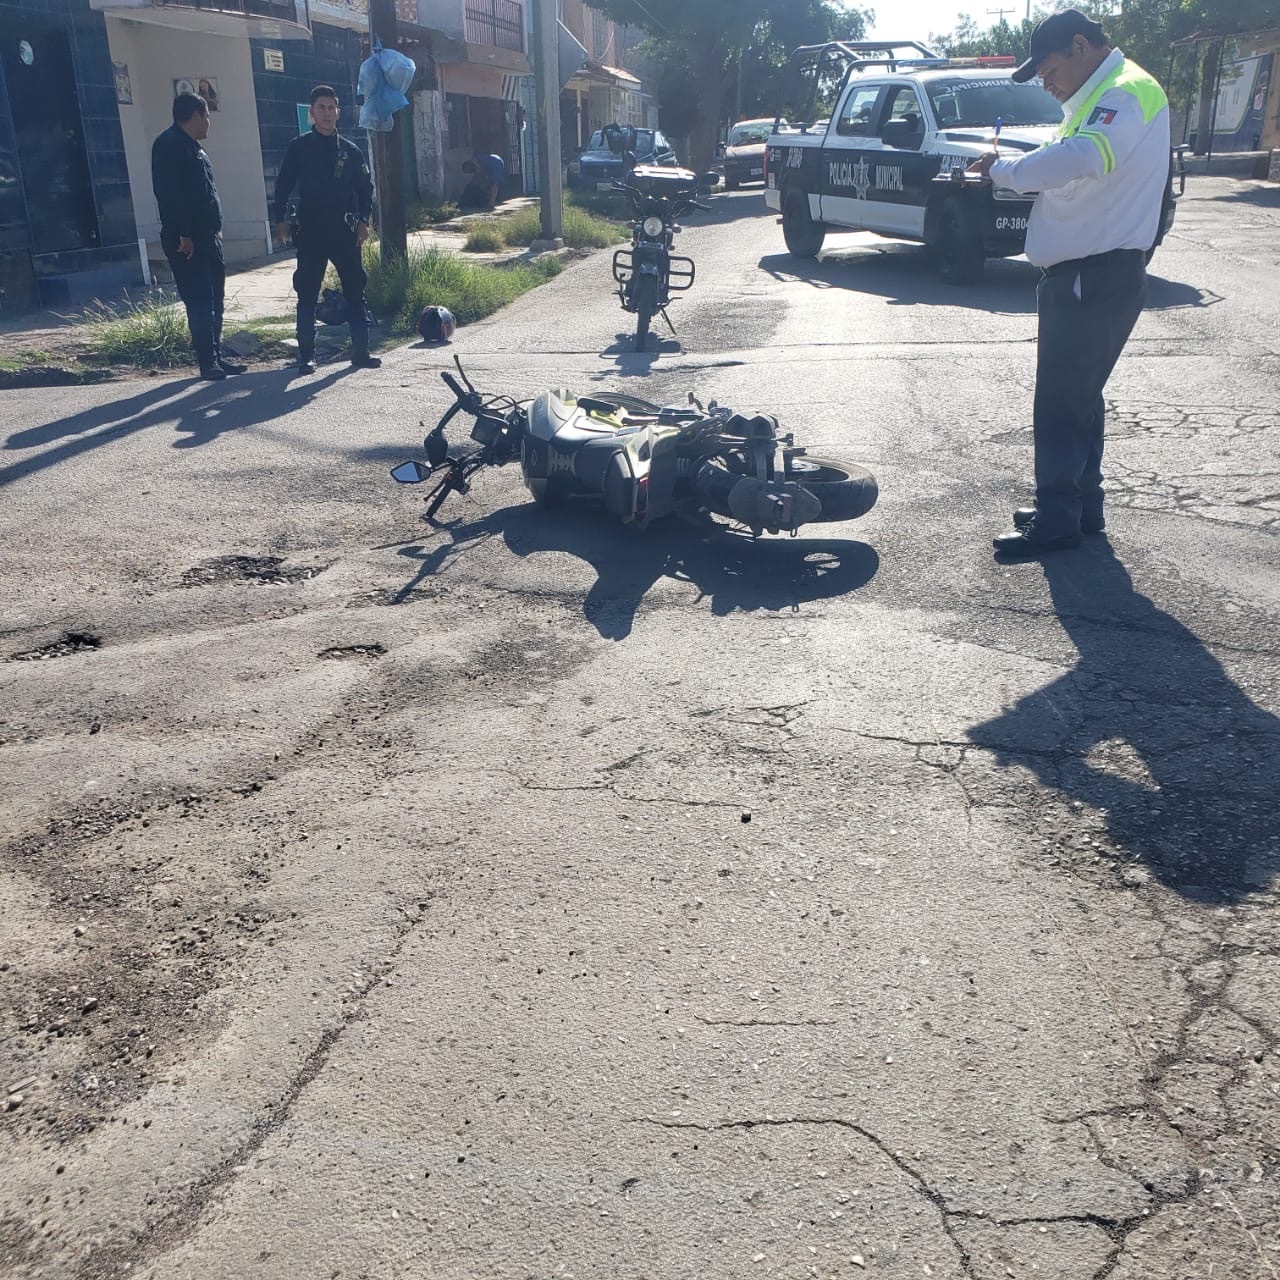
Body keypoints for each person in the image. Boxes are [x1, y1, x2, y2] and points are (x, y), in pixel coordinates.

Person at [968, 9, 1170, 556]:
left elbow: (1083, 157)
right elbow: (1074, 164)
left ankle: (1058, 518)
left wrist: (1005, 171)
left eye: (1049, 69)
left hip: (1094, 274)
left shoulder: (1124, 92)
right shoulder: (1100, 98)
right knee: (1079, 398)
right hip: (1091, 273)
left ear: (1081, 46)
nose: (1045, 83)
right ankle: (1079, 507)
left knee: (1060, 403)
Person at [272, 85, 379, 372]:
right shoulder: (299, 148)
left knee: (355, 290)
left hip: (344, 231)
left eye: (332, 108)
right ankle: (307, 355)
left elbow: (365, 189)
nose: (327, 113)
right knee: (307, 293)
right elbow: (282, 186)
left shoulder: (350, 151)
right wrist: (279, 220)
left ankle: (361, 352)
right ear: (312, 112)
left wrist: (364, 221)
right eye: (321, 108)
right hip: (311, 231)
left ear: (338, 112)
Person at [150, 92, 246, 381]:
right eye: (206, 116)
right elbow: (169, 195)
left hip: (208, 238)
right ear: (195, 116)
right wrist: (184, 233)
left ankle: (216, 355)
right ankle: (207, 361)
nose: (208, 122)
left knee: (216, 299)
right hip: (187, 241)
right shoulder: (168, 145)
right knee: (200, 301)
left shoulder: (194, 147)